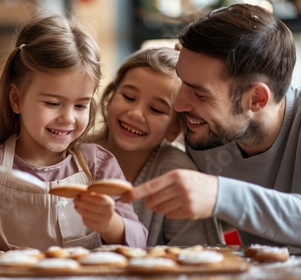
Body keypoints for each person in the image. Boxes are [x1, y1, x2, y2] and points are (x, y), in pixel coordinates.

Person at [0, 13, 147, 257]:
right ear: (16, 99)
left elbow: (139, 239)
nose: (69, 118)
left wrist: (111, 224)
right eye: (52, 103)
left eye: (81, 105)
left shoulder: (99, 165)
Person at [122, 3, 301, 247]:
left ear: (256, 99)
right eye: (183, 82)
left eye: (200, 94)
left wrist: (220, 195)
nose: (179, 104)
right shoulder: (203, 130)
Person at [92, 47, 222, 246]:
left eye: (156, 109)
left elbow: (201, 253)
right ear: (110, 99)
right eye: (128, 97)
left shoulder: (175, 172)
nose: (136, 113)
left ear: (174, 130)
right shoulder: (73, 153)